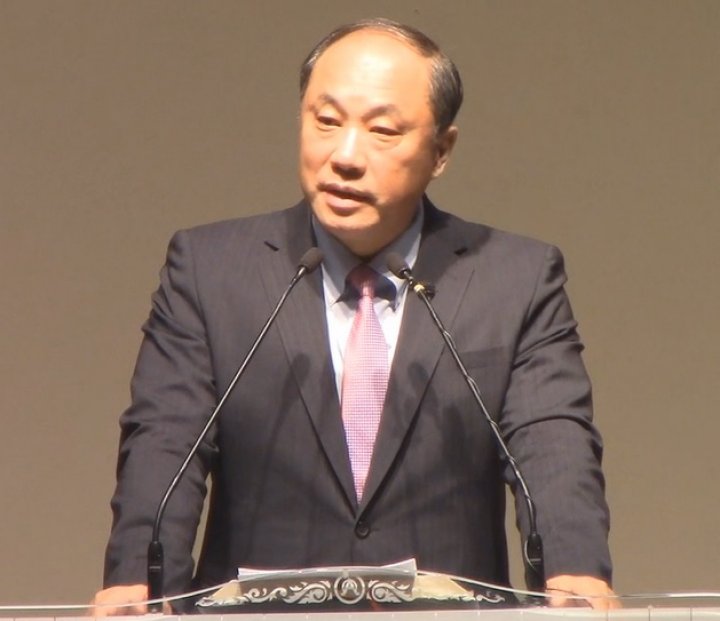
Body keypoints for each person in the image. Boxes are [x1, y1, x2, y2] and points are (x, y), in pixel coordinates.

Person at [92, 18, 616, 615]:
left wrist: (575, 573)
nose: (344, 156)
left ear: (441, 151)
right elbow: (165, 440)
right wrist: (140, 586)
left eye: (382, 130)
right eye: (325, 121)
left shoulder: (515, 279)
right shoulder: (210, 271)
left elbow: (552, 443)